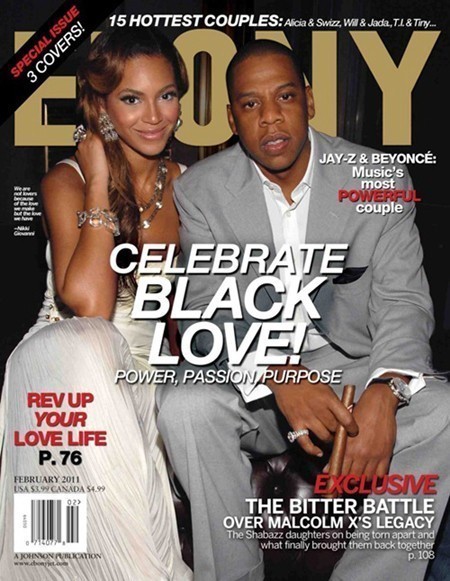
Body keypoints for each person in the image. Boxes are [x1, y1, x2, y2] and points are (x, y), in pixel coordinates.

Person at [155, 39, 450, 581]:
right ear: (232, 119)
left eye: (285, 96)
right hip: (260, 388)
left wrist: (387, 388)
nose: (270, 117)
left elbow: (404, 302)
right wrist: (277, 371)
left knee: (440, 409)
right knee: (185, 405)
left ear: (309, 100)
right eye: (250, 104)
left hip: (351, 375)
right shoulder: (202, 191)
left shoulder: (378, 179)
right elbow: (203, 309)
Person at [0, 28, 192, 580]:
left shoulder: (195, 189)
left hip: (144, 378)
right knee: (92, 341)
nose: (153, 116)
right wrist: (99, 181)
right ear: (101, 106)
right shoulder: (68, 181)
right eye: (132, 98)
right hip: (63, 365)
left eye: (166, 95)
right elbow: (88, 303)